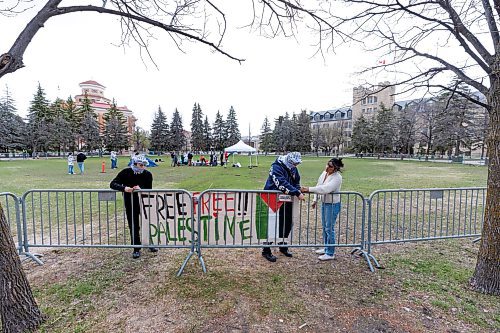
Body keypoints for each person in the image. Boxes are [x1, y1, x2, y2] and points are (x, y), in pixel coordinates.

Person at [110, 154, 157, 259]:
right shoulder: (125, 173)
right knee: (134, 224)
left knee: (147, 223)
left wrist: (141, 189)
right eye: (141, 165)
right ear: (135, 164)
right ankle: (136, 247)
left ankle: (150, 243)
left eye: (144, 165)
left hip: (145, 202)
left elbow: (149, 189)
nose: (143, 167)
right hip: (130, 202)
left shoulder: (148, 174)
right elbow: (113, 184)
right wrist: (125, 188)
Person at [262, 152, 305, 262]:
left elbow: (296, 180)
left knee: (287, 222)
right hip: (273, 198)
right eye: (294, 164)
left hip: (287, 199)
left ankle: (283, 244)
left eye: (297, 164)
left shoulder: (293, 168)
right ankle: (266, 250)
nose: (296, 166)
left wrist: (297, 189)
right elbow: (280, 183)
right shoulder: (276, 167)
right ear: (289, 161)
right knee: (273, 224)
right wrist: (296, 192)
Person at [301, 158, 344, 261]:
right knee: (325, 227)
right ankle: (326, 248)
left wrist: (308, 189)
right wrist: (315, 199)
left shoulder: (337, 178)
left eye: (330, 166)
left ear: (336, 168)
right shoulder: (324, 173)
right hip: (324, 203)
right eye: (327, 165)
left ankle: (330, 252)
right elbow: (319, 185)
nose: (327, 167)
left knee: (329, 228)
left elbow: (326, 189)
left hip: (333, 205)